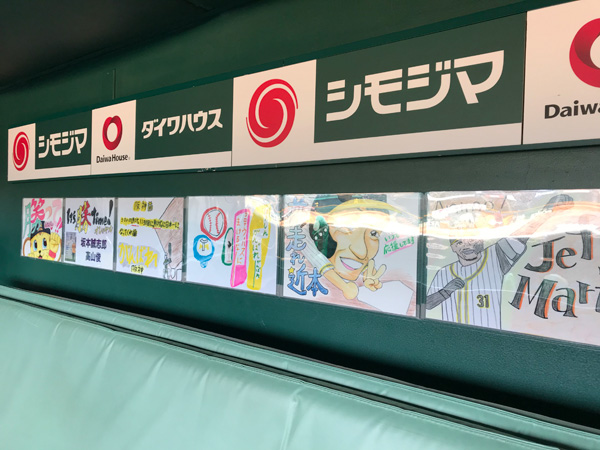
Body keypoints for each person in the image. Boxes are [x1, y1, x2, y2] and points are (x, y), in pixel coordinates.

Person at [426, 194, 573, 329]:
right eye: (459, 243)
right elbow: (427, 304)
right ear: (453, 248)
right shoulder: (444, 272)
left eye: (471, 240)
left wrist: (546, 212)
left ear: (481, 240)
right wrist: (445, 291)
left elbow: (519, 236)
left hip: (487, 339)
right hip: (451, 338)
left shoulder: (494, 256)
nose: (466, 246)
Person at [298, 194, 416, 314]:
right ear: (321, 228)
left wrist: (366, 274)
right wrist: (344, 286)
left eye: (374, 233)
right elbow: (319, 260)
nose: (361, 252)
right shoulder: (301, 236)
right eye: (348, 226)